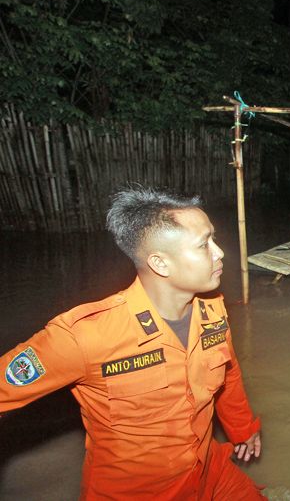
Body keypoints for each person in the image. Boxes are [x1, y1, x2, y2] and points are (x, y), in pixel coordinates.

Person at [0, 187, 264, 499]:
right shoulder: (85, 336)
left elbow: (228, 373)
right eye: (204, 244)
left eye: (213, 238)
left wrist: (243, 428)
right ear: (160, 263)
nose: (219, 252)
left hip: (209, 471)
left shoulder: (213, 308)